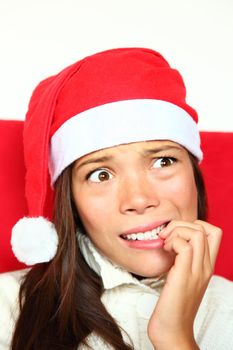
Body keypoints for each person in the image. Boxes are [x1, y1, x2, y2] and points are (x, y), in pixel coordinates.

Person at [0, 47, 233, 350]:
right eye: (101, 175)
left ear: (194, 174)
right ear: (71, 201)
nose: (139, 199)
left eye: (163, 161)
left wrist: (174, 337)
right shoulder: (8, 307)